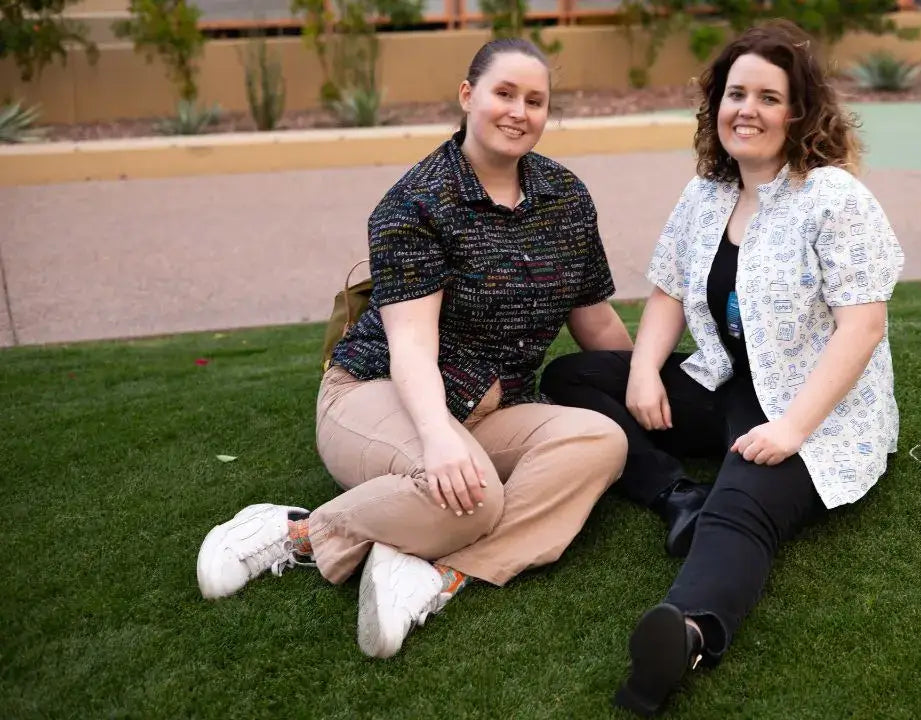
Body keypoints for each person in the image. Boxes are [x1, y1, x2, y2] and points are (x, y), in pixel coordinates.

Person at [195, 37, 633, 659]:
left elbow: (595, 322)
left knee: (599, 441)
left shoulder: (565, 198)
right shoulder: (415, 202)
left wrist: (649, 383)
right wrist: (438, 438)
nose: (519, 111)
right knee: (474, 496)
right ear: (467, 95)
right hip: (379, 392)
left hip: (495, 407)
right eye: (503, 93)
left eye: (535, 100)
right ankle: (295, 531)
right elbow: (410, 346)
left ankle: (436, 571)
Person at [539, 20, 905, 715]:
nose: (748, 110)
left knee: (741, 508)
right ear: (716, 106)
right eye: (736, 93)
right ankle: (675, 495)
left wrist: (793, 430)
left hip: (808, 406)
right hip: (721, 380)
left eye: (769, 96)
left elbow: (863, 329)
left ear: (798, 111)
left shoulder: (833, 198)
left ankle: (688, 632)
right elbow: (670, 290)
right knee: (574, 378)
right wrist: (645, 370)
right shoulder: (706, 192)